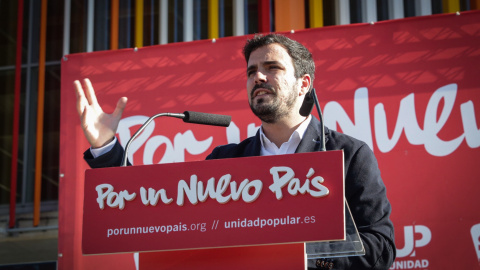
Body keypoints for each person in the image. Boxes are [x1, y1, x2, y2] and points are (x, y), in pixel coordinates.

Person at [74, 34, 396, 269]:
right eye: (251, 70)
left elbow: (381, 250)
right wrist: (107, 147)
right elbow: (156, 215)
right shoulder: (224, 163)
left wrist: (298, 248)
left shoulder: (348, 155)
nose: (257, 76)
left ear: (304, 84)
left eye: (272, 67)